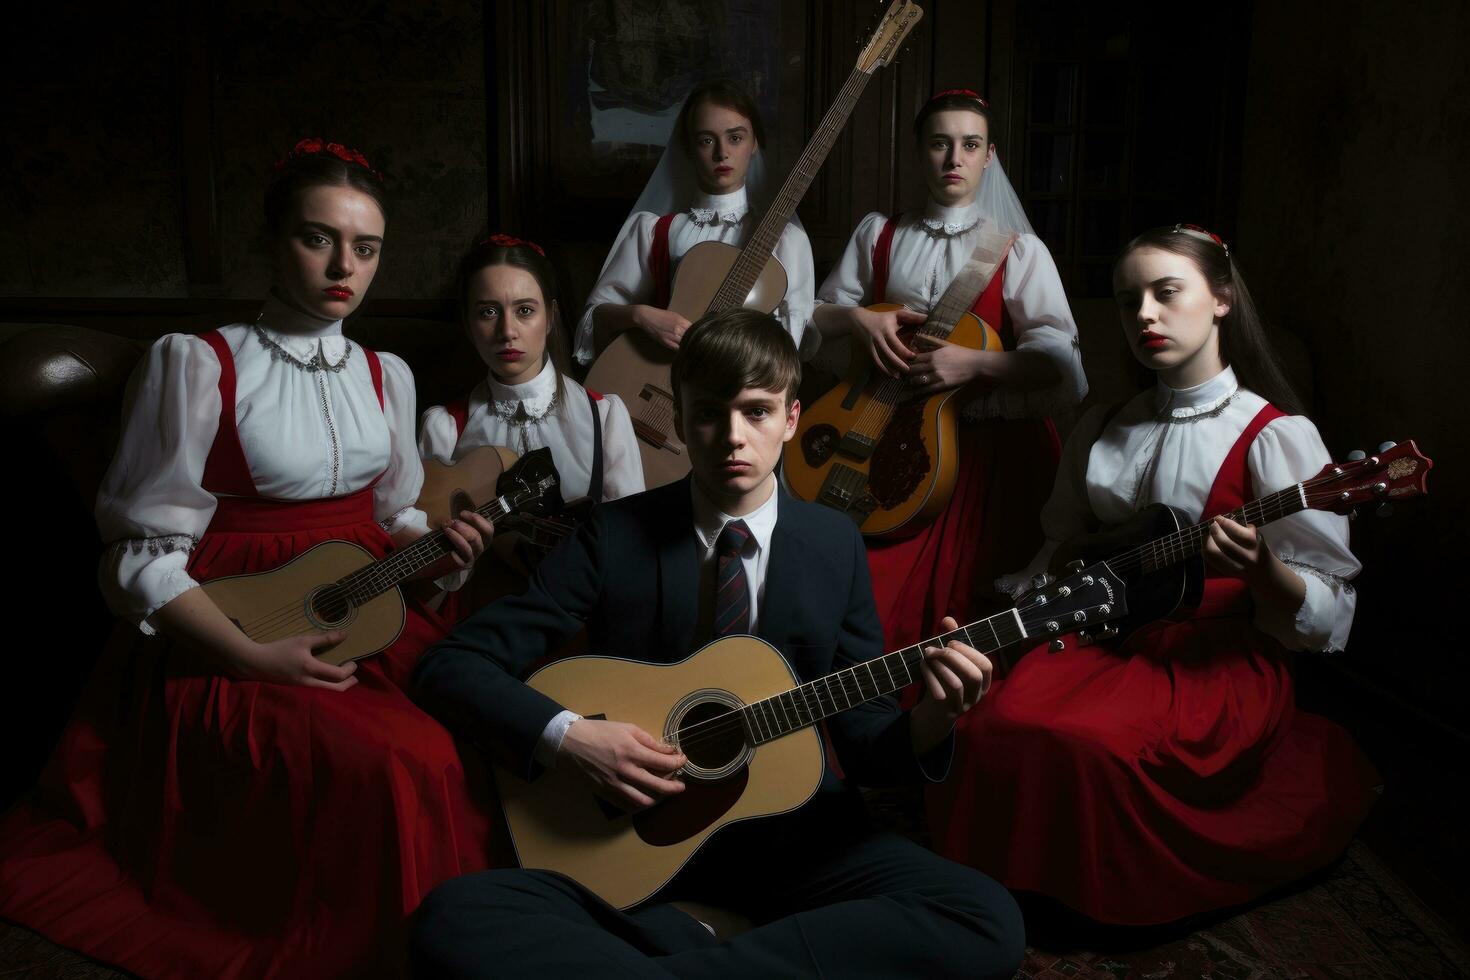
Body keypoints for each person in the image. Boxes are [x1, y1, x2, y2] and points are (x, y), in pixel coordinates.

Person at [0, 139, 499, 978]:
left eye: (367, 248)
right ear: (272, 243)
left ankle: (493, 939)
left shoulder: (388, 374)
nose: (345, 266)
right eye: (318, 239)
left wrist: (442, 551)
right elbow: (141, 552)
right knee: (400, 763)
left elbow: (394, 518)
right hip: (233, 625)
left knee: (485, 715)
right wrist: (251, 657)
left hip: (363, 606)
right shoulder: (197, 363)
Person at [410, 309, 1024, 978]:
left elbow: (865, 738)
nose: (733, 437)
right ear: (679, 419)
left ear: (792, 419)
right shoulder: (613, 535)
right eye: (709, 413)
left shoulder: (834, 545)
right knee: (451, 917)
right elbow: (449, 664)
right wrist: (571, 737)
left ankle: (682, 953)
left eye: (757, 413)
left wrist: (934, 717)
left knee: (987, 920)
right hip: (633, 843)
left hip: (799, 837)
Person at [929, 224, 1380, 925]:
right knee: (991, 723)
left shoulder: (1274, 437)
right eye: (1127, 300)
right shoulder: (1107, 425)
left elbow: (1329, 599)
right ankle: (1008, 893)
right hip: (1102, 641)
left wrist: (1265, 572)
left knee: (1089, 748)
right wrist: (1028, 613)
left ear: (1222, 298)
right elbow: (1062, 543)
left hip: (1210, 662)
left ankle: (1097, 902)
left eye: (1167, 293)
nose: (1144, 315)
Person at [811, 89, 1087, 653]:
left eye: (969, 145)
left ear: (989, 157)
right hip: (891, 441)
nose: (953, 158)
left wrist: (976, 362)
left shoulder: (1019, 250)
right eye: (939, 144)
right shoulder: (878, 235)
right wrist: (860, 318)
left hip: (989, 456)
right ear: (919, 152)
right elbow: (815, 320)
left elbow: (1061, 365)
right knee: (869, 615)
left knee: (977, 618)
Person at [419, 234, 644, 619]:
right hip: (480, 616)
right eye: (488, 312)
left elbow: (631, 545)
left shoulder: (605, 416)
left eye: (525, 311)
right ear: (468, 322)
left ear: (551, 316)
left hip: (582, 617)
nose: (507, 330)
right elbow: (427, 563)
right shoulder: (444, 426)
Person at [576, 79, 816, 363]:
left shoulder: (784, 239)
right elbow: (594, 317)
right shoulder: (654, 231)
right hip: (663, 379)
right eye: (706, 140)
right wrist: (641, 316)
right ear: (689, 148)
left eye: (735, 138)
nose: (721, 153)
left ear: (754, 144)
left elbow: (790, 342)